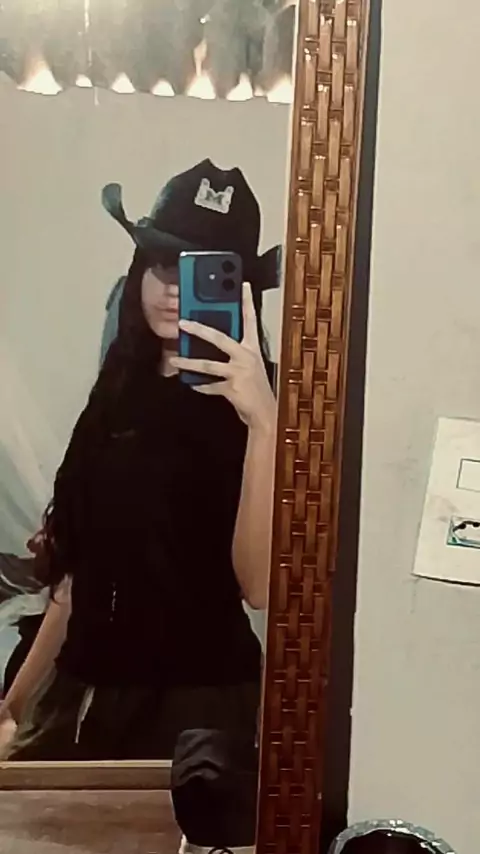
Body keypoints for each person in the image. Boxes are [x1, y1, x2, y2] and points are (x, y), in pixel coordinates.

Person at [0, 159, 279, 761]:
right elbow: (78, 577)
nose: (175, 287)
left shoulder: (268, 407)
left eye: (204, 272)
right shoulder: (116, 391)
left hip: (199, 708)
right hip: (83, 696)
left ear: (242, 290)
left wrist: (264, 422)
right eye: (163, 263)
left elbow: (258, 586)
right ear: (138, 271)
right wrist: (14, 707)